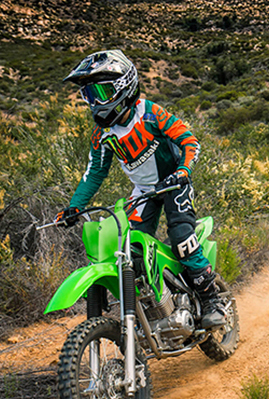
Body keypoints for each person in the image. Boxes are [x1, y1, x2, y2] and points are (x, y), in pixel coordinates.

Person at [55, 49, 226, 329]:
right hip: (143, 191)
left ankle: (211, 300)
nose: (95, 102)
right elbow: (94, 173)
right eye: (89, 95)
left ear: (124, 87)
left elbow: (189, 141)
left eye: (101, 91)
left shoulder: (150, 113)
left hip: (173, 183)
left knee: (182, 238)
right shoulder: (102, 134)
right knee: (130, 247)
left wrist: (183, 171)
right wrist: (75, 206)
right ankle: (154, 305)